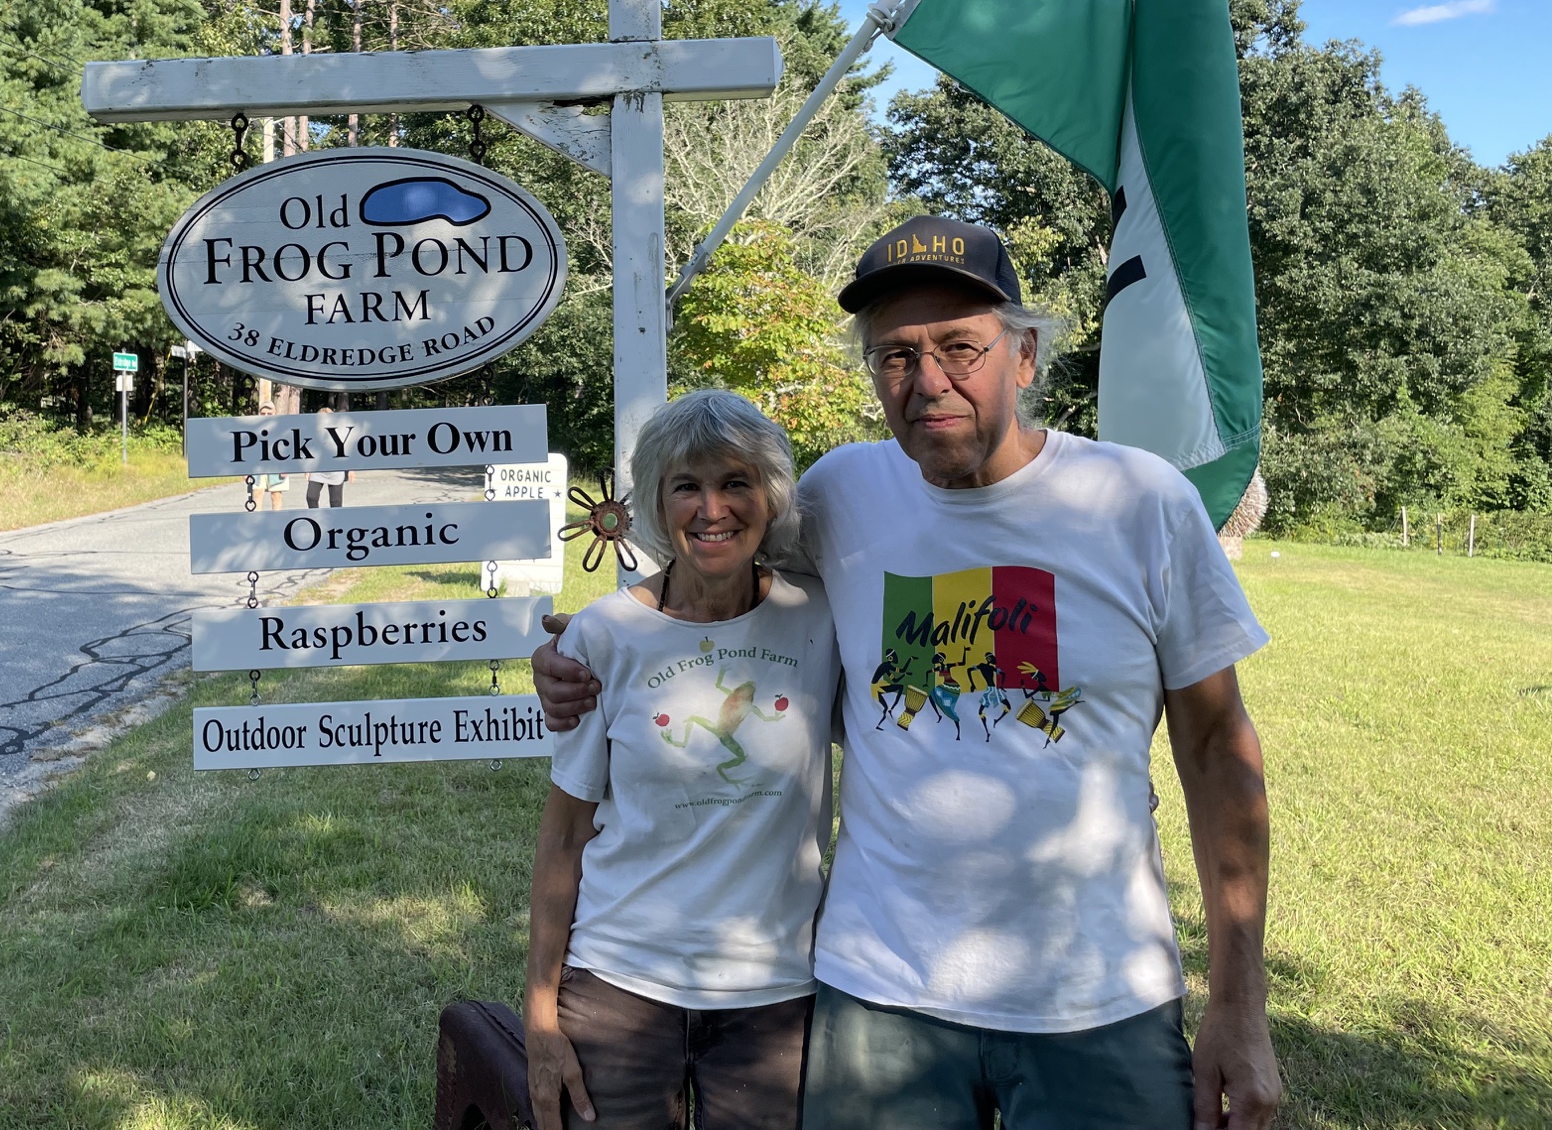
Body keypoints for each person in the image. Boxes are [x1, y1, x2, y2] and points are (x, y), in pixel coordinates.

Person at [534, 215, 1281, 1130]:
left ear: (1026, 356)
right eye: (895, 356)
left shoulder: (1140, 504)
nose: (928, 383)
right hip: (878, 995)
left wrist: (1241, 1005)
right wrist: (584, 649)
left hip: (1098, 996)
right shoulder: (845, 495)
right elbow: (714, 574)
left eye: (960, 348)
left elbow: (1217, 751)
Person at [527, 390, 839, 1130]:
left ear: (770, 496)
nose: (712, 509)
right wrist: (541, 1014)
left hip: (776, 993)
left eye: (736, 482)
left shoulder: (822, 618)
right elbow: (564, 837)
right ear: (655, 503)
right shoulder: (603, 637)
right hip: (618, 987)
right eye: (687, 486)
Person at [305, 408, 348, 508]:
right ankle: (315, 519)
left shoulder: (340, 433)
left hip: (336, 471)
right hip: (318, 470)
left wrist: (351, 470)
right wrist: (308, 469)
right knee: (311, 497)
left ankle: (336, 523)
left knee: (335, 502)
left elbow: (347, 452)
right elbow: (309, 452)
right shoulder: (314, 433)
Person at [248, 402, 286, 511]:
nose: (266, 416)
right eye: (263, 413)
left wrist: (286, 466)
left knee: (276, 495)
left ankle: (277, 523)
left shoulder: (281, 427)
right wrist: (245, 470)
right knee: (257, 494)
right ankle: (256, 523)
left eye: (269, 413)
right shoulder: (252, 428)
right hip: (257, 466)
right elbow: (246, 451)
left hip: (277, 465)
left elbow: (287, 449)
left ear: (274, 413)